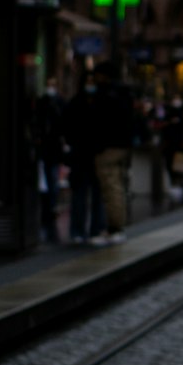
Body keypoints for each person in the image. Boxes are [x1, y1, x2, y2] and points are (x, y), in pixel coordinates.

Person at [90, 60, 134, 244]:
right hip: (122, 145)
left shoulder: (105, 94)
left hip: (108, 146)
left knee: (111, 187)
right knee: (117, 185)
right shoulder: (124, 93)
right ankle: (115, 227)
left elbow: (99, 121)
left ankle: (115, 228)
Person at [61, 72, 105, 244]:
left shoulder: (100, 103)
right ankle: (79, 230)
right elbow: (67, 128)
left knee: (96, 195)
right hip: (81, 156)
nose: (90, 85)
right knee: (80, 195)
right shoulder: (76, 103)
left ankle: (94, 229)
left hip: (94, 155)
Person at [33, 76, 65, 242]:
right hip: (45, 149)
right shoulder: (42, 102)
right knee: (45, 179)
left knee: (52, 179)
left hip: (52, 149)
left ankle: (51, 206)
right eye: (49, 84)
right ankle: (47, 207)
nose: (51, 87)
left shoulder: (59, 102)